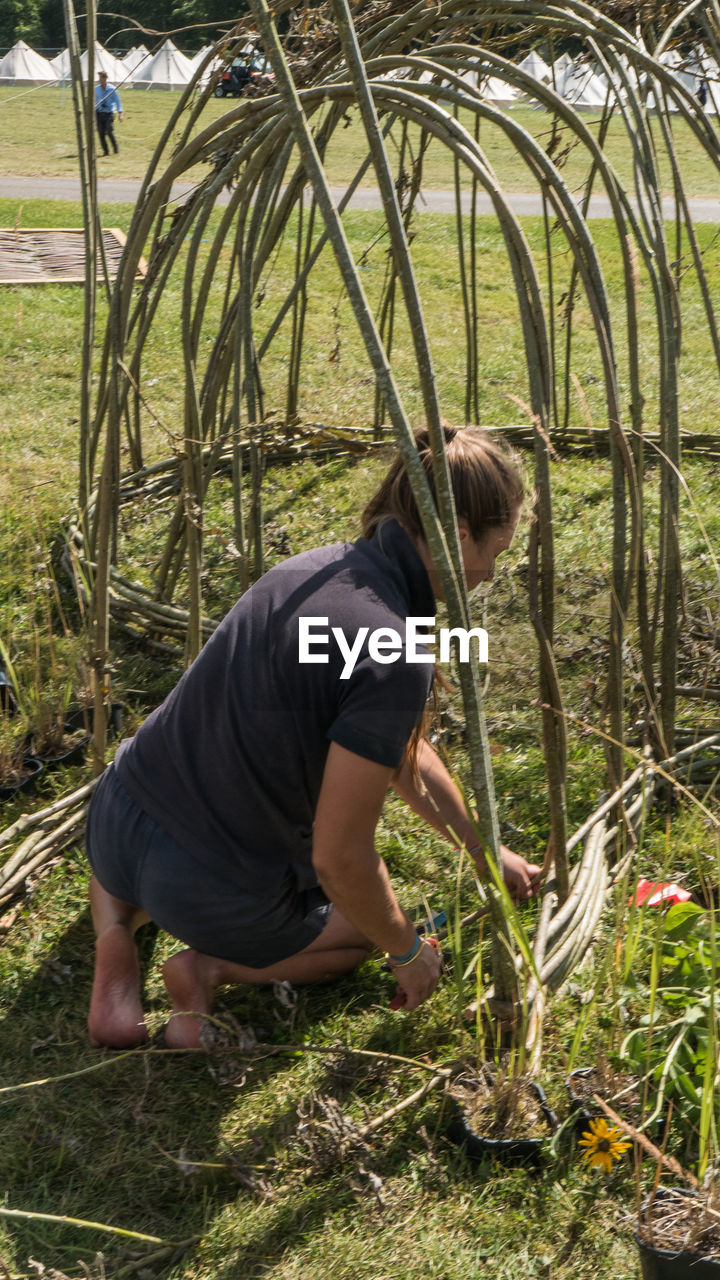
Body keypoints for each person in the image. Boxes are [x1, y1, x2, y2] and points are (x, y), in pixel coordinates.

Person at [86, 426, 542, 1050]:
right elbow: (340, 860)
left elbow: (400, 751)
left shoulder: (311, 569)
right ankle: (205, 967)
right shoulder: (395, 649)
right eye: (497, 549)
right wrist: (407, 949)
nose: (490, 573)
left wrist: (484, 849)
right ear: (459, 537)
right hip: (203, 886)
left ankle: (115, 935)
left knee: (157, 827)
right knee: (362, 935)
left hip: (115, 817)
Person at [95, 70, 123, 156]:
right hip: (99, 113)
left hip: (109, 113)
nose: (100, 80)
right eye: (99, 78)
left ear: (105, 78)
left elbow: (118, 102)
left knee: (109, 130)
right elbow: (93, 100)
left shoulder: (112, 89)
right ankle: (105, 151)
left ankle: (115, 148)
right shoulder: (96, 89)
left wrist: (120, 114)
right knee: (101, 132)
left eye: (101, 78)